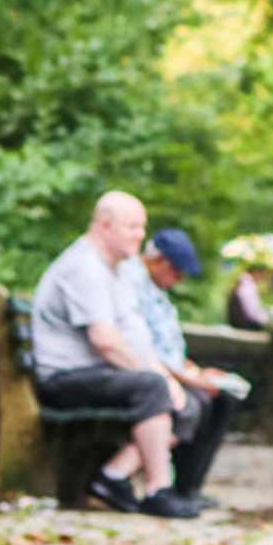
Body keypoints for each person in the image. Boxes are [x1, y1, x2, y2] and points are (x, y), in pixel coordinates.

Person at [29, 191, 200, 518]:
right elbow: (105, 341)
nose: (140, 235)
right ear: (104, 225)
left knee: (185, 400)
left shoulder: (119, 269)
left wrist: (166, 379)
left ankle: (114, 475)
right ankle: (156, 488)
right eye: (132, 227)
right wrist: (153, 379)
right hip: (66, 377)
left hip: (102, 373)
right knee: (152, 389)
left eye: (142, 227)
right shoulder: (84, 267)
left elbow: (136, 337)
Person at [124, 228, 237, 505]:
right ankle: (171, 488)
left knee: (223, 397)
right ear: (158, 259)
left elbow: (169, 347)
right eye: (176, 271)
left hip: (170, 372)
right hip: (147, 373)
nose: (180, 279)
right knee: (197, 401)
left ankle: (189, 488)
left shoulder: (156, 289)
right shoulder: (132, 284)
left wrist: (197, 370)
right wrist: (192, 381)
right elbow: (145, 349)